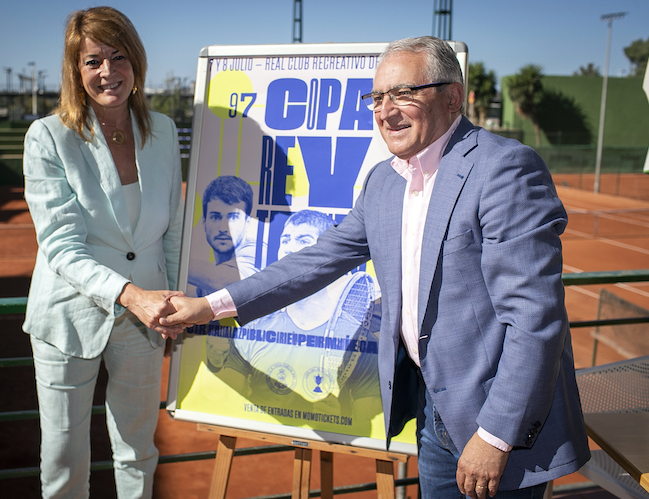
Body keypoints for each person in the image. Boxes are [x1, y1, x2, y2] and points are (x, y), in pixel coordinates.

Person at [162, 36, 590, 498]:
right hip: (434, 412)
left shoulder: (504, 169)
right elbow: (314, 262)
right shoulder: (385, 181)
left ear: (452, 97)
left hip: (496, 426)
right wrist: (209, 307)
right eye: (377, 98)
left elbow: (534, 318)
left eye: (404, 93)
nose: (387, 111)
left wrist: (494, 436)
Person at [22, 6, 183, 498]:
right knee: (64, 456)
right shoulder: (48, 137)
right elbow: (62, 247)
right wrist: (132, 295)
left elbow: (171, 228)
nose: (107, 72)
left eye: (118, 57)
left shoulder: (163, 131)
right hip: (69, 318)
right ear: (76, 71)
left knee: (138, 448)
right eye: (93, 61)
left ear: (136, 63)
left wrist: (172, 305)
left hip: (147, 317)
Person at [224, 210, 380, 421]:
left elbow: (367, 422)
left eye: (303, 240)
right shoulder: (252, 326)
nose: (289, 249)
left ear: (328, 253)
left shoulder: (360, 340)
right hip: (262, 436)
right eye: (285, 240)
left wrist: (343, 418)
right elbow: (226, 401)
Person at [187, 175, 260, 296]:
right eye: (215, 217)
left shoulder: (257, 252)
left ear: (247, 223)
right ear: (204, 222)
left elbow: (218, 280)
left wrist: (172, 259)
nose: (223, 228)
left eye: (233, 218)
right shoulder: (206, 279)